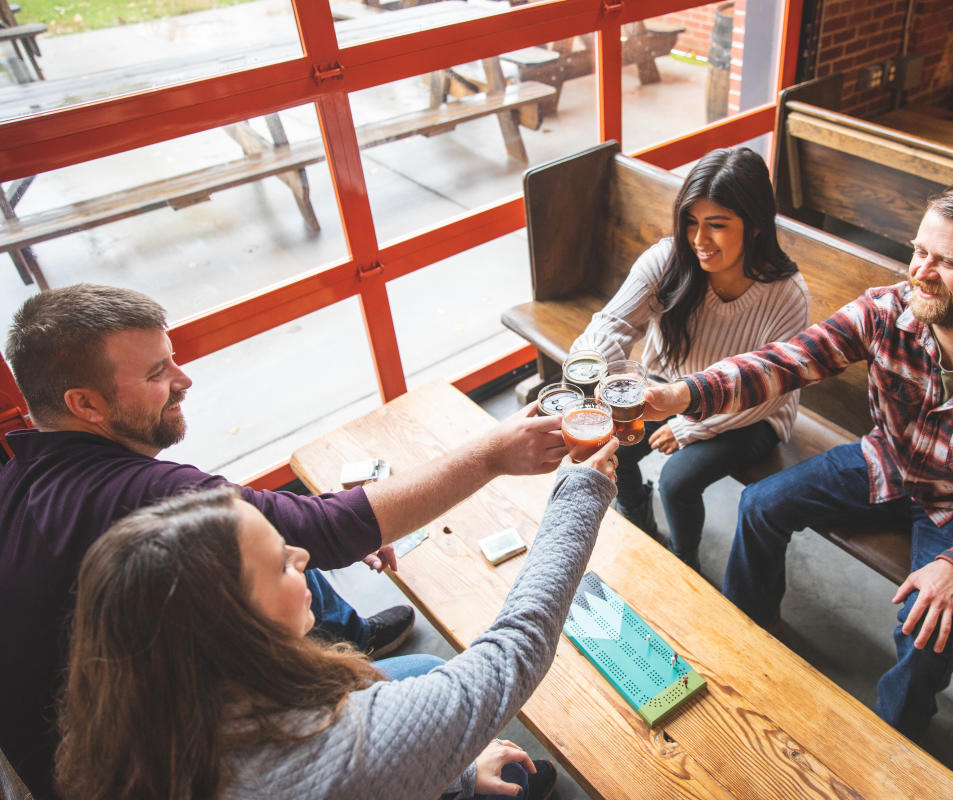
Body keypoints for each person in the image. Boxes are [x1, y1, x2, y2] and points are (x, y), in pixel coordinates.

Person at [0, 284, 568, 799]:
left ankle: (353, 636)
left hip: (111, 737)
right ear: (86, 404)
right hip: (157, 765)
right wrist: (496, 455)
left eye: (172, 359)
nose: (185, 379)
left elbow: (300, 532)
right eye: (156, 373)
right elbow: (506, 656)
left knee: (293, 550)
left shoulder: (21, 480)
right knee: (425, 675)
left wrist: (312, 536)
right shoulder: (147, 492)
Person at [643, 178, 953, 739]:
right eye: (919, 250)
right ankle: (749, 636)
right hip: (886, 463)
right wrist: (681, 395)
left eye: (946, 262)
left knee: (930, 634)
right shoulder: (886, 310)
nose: (921, 272)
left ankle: (892, 742)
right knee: (760, 505)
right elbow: (785, 361)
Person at [55, 439, 620, 799]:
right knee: (513, 771)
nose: (304, 558)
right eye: (281, 563)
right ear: (233, 624)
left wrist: (457, 776)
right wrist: (580, 494)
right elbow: (514, 650)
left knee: (423, 666)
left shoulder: (145, 715)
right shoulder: (340, 748)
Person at [569, 147, 809, 569]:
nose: (699, 240)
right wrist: (585, 371)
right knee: (614, 449)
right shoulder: (668, 259)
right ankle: (641, 529)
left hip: (751, 412)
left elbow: (770, 393)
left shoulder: (786, 294)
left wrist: (688, 428)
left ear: (754, 226)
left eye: (717, 225)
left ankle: (685, 564)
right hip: (670, 387)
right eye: (691, 222)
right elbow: (612, 324)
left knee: (678, 481)